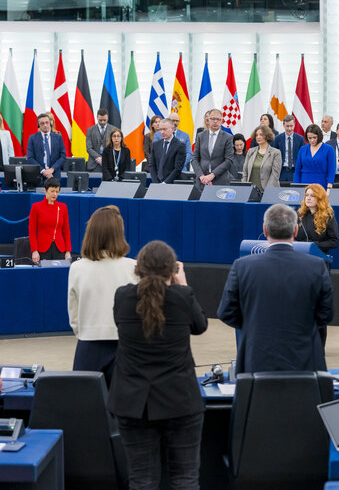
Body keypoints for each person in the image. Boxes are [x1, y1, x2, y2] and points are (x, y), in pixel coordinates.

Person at [108, 240, 207, 490]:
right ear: (172, 270)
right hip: (179, 400)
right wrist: (182, 284)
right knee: (185, 478)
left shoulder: (123, 296)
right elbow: (200, 326)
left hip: (132, 403)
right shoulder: (182, 297)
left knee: (142, 480)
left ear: (138, 268)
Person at [218, 204, 333, 374]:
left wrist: (254, 326)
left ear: (264, 230)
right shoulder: (316, 266)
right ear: (295, 231)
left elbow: (226, 312)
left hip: (256, 359)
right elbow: (326, 314)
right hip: (305, 361)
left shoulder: (242, 266)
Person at [68, 206, 137, 385]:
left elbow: (73, 313)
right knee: (125, 408)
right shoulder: (134, 268)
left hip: (88, 345)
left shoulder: (77, 268)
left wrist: (85, 331)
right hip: (126, 346)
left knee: (85, 407)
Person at [29, 177, 71, 264]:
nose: (54, 194)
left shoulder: (63, 207)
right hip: (42, 249)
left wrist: (68, 251)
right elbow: (32, 231)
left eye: (57, 191)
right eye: (52, 191)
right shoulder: (36, 207)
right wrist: (34, 250)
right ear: (45, 190)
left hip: (60, 249)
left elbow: (66, 231)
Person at [191, 108, 233, 191]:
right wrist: (202, 177)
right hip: (201, 181)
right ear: (208, 120)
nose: (215, 121)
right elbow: (194, 158)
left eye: (218, 119)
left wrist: (212, 175)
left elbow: (229, 160)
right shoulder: (200, 136)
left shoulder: (228, 137)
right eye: (212, 119)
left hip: (220, 181)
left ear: (222, 121)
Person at [296, 183, 339, 255]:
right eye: (307, 195)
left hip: (319, 256)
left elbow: (334, 242)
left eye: (312, 196)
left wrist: (313, 246)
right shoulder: (300, 214)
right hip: (301, 256)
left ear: (320, 198)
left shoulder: (328, 216)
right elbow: (292, 237)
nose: (308, 198)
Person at [26, 113, 66, 183]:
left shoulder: (58, 137)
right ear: (38, 125)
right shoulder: (32, 138)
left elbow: (63, 156)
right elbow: (30, 158)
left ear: (50, 123)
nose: (45, 125)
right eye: (42, 123)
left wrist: (52, 169)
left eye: (47, 122)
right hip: (38, 176)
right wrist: (43, 171)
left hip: (54, 175)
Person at [294, 123, 336, 189]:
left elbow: (331, 170)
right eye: (309, 138)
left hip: (321, 185)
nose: (312, 140)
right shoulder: (302, 149)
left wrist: (329, 187)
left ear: (319, 136)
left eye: (314, 137)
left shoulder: (329, 149)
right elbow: (297, 171)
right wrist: (296, 186)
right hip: (304, 185)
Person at [243, 125, 281, 192]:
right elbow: (245, 172)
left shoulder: (276, 153)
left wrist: (267, 192)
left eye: (261, 135)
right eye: (257, 135)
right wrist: (244, 187)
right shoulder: (250, 151)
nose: (258, 137)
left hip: (268, 192)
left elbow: (275, 175)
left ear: (267, 136)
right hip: (249, 192)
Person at [149, 118, 186, 184]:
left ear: (172, 129)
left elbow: (177, 168)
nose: (162, 132)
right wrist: (156, 182)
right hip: (157, 183)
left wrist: (165, 183)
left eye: (165, 129)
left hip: (172, 184)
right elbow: (152, 165)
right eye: (160, 129)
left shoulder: (180, 146)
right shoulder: (155, 145)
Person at [271, 114, 304, 182]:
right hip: (281, 171)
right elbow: (273, 156)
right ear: (283, 125)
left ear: (294, 125)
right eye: (287, 126)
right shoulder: (277, 138)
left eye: (291, 126)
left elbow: (302, 156)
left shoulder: (300, 139)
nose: (289, 129)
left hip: (295, 171)